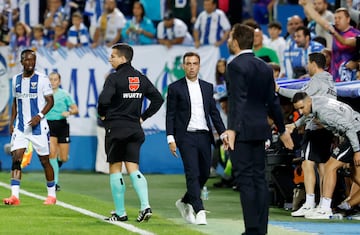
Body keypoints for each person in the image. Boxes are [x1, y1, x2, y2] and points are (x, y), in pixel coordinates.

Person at [222, 23, 294, 235]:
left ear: (235, 41)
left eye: (229, 38)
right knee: (260, 180)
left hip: (242, 131)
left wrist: (232, 130)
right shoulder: (264, 66)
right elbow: (273, 102)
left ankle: (252, 230)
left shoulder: (235, 66)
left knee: (246, 180)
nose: (228, 41)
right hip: (261, 129)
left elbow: (237, 100)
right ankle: (260, 230)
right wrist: (282, 130)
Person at [97, 43, 163, 222]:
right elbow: (158, 99)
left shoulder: (114, 78)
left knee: (115, 168)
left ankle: (120, 212)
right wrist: (143, 117)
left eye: (113, 56)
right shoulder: (140, 77)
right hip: (135, 129)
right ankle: (145, 206)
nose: (110, 58)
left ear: (123, 58)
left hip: (116, 128)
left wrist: (102, 114)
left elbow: (103, 100)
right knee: (133, 168)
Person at [166, 51, 226, 225]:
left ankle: (185, 201)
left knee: (205, 173)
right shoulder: (175, 88)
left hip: (204, 136)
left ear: (199, 66)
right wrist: (171, 138)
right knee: (192, 173)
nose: (191, 67)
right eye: (188, 63)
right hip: (185, 136)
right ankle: (199, 209)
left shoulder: (207, 87)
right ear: (183, 66)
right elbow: (170, 115)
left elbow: (214, 113)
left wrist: (222, 133)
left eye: (195, 63)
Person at [275, 52, 337, 217]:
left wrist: (278, 89)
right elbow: (310, 109)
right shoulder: (330, 81)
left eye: (308, 63)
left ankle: (310, 203)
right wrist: (296, 124)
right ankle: (324, 204)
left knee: (307, 163)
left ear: (313, 64)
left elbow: (299, 97)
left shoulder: (316, 80)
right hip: (328, 128)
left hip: (316, 129)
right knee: (323, 166)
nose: (307, 67)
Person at [291, 92, 360, 219]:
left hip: (356, 133)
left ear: (308, 102)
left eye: (302, 108)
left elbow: (349, 128)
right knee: (355, 174)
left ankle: (325, 208)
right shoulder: (317, 101)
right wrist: (278, 89)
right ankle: (326, 207)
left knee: (329, 167)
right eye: (298, 109)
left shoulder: (323, 113)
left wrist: (357, 151)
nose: (300, 112)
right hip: (354, 131)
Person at [3, 49, 56, 205]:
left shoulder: (42, 79)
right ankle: (15, 196)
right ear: (22, 62)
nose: (30, 63)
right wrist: (12, 122)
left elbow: (50, 101)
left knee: (45, 161)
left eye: (33, 60)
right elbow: (15, 101)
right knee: (16, 158)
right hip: (20, 127)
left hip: (38, 127)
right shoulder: (15, 79)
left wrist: (39, 116)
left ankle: (51, 195)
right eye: (27, 60)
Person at [300, 0, 360, 82]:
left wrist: (356, 63)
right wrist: (306, 5)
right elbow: (319, 19)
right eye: (335, 18)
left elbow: (345, 42)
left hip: (350, 78)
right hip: (335, 77)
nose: (337, 20)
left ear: (348, 19)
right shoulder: (335, 30)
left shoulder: (356, 34)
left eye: (339, 18)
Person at [46, 71, 79, 191]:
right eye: (51, 79)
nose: (53, 82)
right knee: (52, 153)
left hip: (62, 125)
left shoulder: (64, 94)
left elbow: (75, 109)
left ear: (59, 81)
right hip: (49, 125)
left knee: (64, 157)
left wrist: (69, 112)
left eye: (55, 79)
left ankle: (57, 166)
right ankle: (54, 183)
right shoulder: (45, 94)